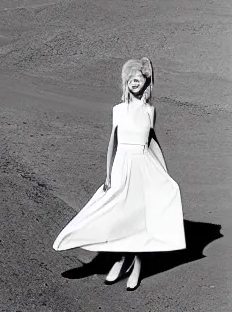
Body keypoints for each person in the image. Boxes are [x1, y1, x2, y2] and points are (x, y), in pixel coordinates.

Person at [52, 57, 186, 290]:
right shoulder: (118, 110)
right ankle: (121, 258)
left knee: (140, 218)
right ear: (126, 82)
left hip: (144, 168)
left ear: (146, 83)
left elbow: (153, 143)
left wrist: (164, 174)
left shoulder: (150, 111)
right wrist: (108, 176)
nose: (135, 83)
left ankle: (137, 265)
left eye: (139, 79)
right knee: (118, 214)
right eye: (131, 79)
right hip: (122, 167)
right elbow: (112, 144)